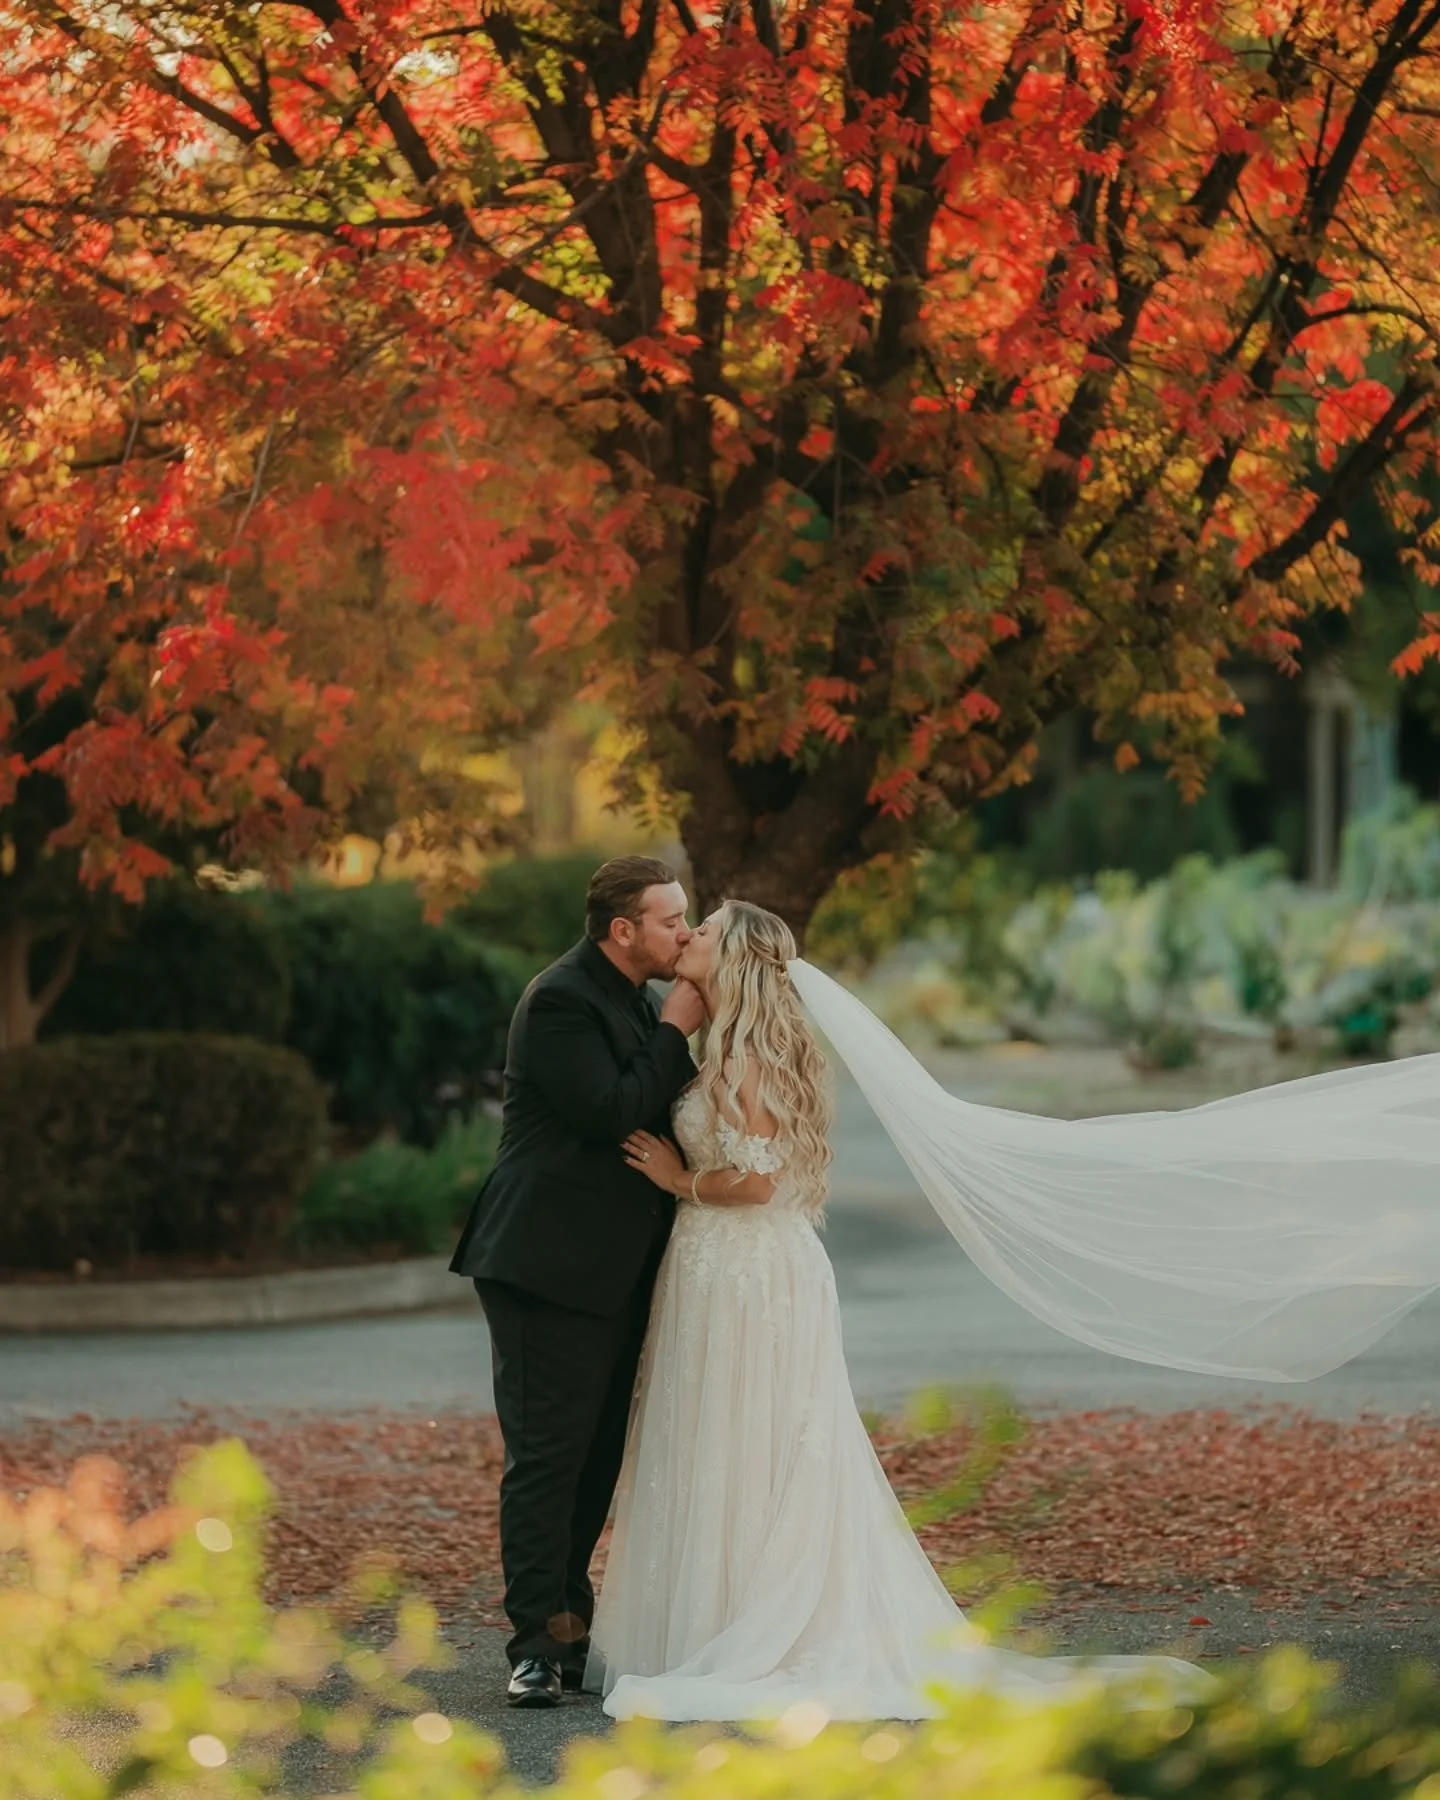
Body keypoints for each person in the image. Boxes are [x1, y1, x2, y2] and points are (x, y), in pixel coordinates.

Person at [589, 900, 1210, 1721]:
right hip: (716, 1267)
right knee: (721, 1434)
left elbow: (761, 1182)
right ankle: (715, 1616)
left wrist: (678, 1182)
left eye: (702, 928)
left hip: (752, 1270)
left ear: (731, 955)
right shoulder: (726, 1046)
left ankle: (755, 1620)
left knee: (759, 1438)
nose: (689, 935)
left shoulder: (748, 1065)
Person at [448, 856, 705, 1708]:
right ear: (621, 929)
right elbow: (606, 1109)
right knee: (548, 1458)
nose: (685, 931)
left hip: (617, 1268)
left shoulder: (634, 995)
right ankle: (531, 1646)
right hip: (544, 1265)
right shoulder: (560, 1000)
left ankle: (569, 1629)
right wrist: (675, 1030)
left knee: (595, 1461)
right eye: (670, 920)